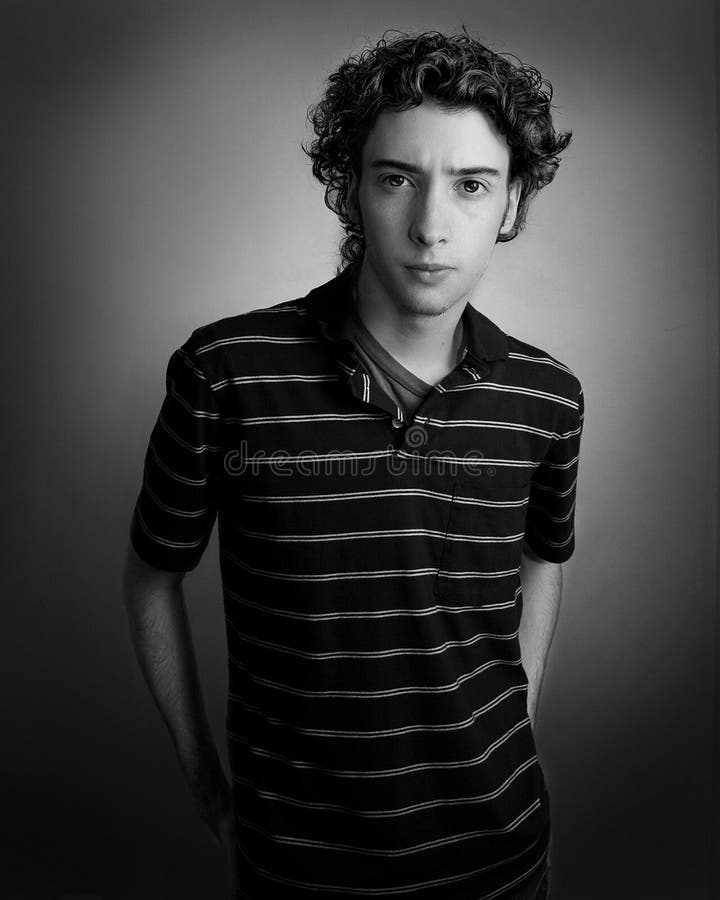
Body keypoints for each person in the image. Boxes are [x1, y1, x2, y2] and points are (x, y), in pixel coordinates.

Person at [123, 28, 583, 900]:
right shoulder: (226, 372)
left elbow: (543, 559)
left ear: (512, 203)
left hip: (503, 858)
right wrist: (201, 776)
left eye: (473, 185)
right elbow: (151, 577)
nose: (431, 226)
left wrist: (510, 726)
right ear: (350, 189)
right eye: (396, 178)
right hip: (301, 870)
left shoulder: (548, 396)